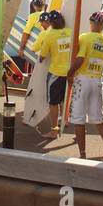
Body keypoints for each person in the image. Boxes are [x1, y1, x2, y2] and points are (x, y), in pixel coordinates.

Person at [66, 11, 103, 160]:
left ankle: (83, 155)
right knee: (98, 118)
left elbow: (80, 58)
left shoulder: (84, 38)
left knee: (78, 119)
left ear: (92, 23)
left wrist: (70, 73)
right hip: (97, 80)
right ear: (102, 24)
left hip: (83, 78)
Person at [31, 9, 73, 141]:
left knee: (53, 103)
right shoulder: (70, 32)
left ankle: (54, 130)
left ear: (50, 22)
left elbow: (42, 55)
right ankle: (65, 121)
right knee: (64, 100)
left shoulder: (49, 35)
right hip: (69, 73)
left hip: (55, 73)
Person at [17, 0, 47, 64]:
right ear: (43, 5)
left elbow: (26, 33)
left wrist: (21, 48)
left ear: (33, 6)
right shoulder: (47, 15)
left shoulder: (32, 16)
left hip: (35, 48)